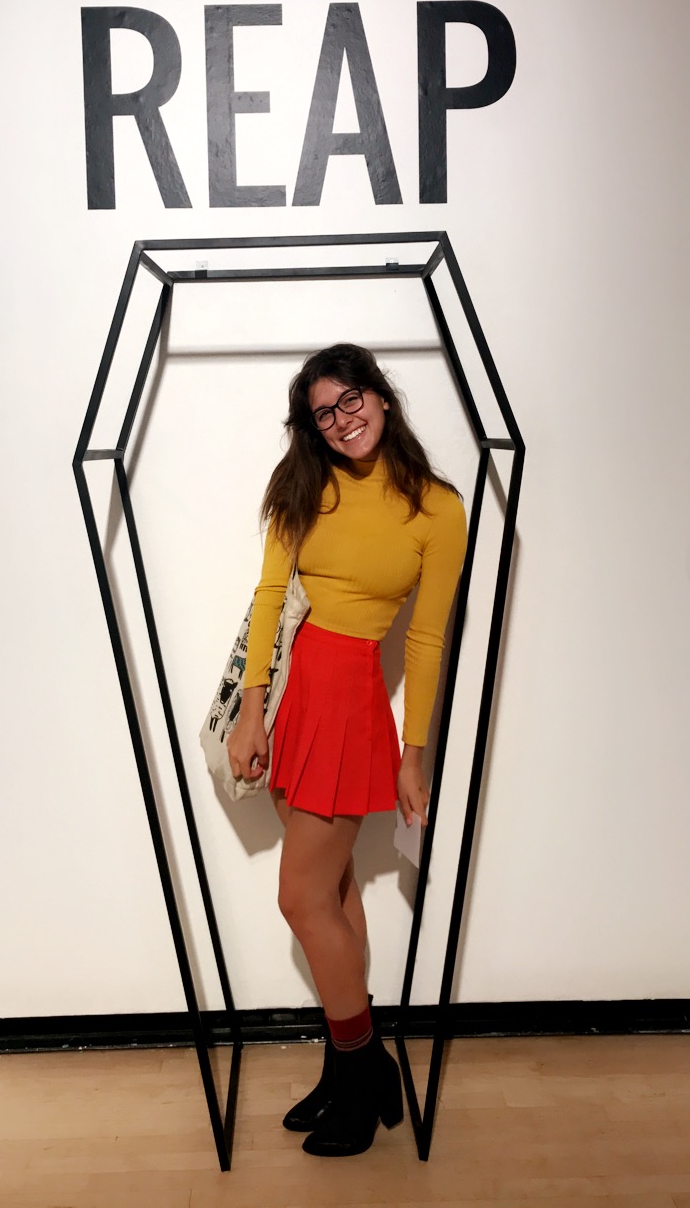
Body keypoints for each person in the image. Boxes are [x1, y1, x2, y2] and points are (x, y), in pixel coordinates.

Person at [227, 343, 467, 1157]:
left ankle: (365, 1075)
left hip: (348, 699)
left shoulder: (437, 509)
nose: (341, 420)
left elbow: (426, 640)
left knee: (301, 899)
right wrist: (252, 711)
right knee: (330, 893)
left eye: (351, 399)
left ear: (382, 396)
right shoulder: (304, 483)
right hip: (294, 694)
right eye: (323, 412)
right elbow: (269, 595)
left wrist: (414, 754)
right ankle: (347, 1067)